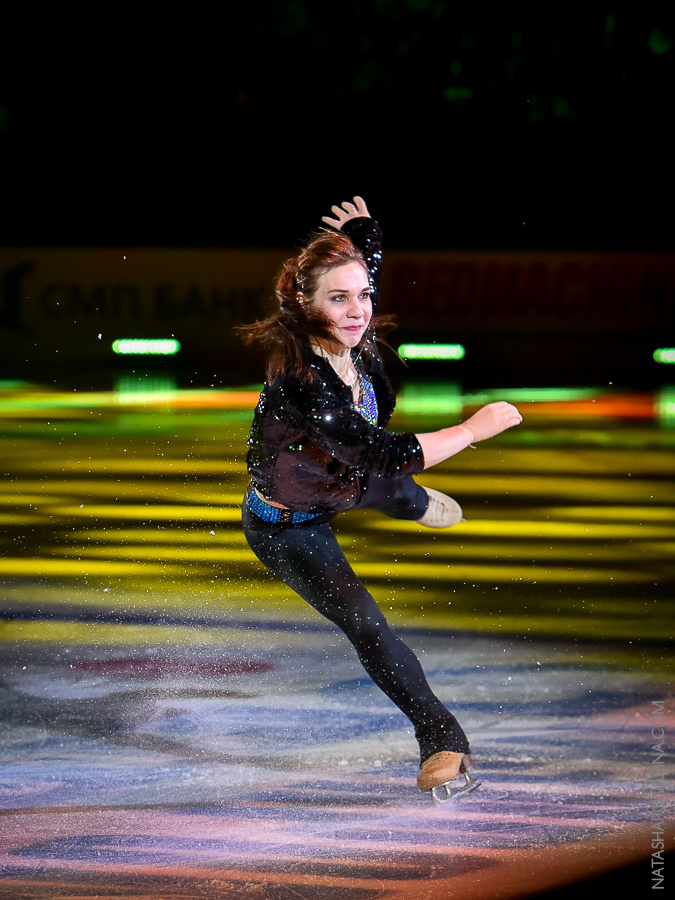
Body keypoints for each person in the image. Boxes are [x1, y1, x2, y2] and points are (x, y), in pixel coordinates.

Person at [240, 196, 522, 801]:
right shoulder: (301, 383)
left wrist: (363, 234)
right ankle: (440, 737)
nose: (358, 310)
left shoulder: (353, 337)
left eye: (362, 296)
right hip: (291, 524)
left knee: (390, 490)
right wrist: (472, 430)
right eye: (338, 299)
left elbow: (364, 265)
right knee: (366, 622)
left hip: (355, 480)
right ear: (304, 303)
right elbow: (383, 454)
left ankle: (409, 503)